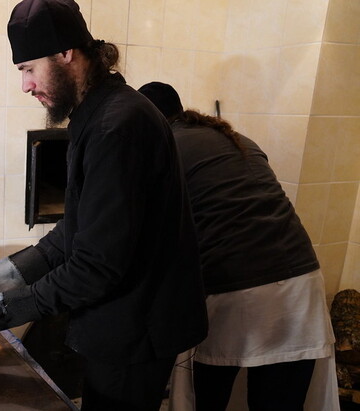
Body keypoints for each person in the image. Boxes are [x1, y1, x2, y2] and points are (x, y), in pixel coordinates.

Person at [0, 1, 209, 409]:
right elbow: (75, 231)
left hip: (137, 327)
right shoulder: (93, 114)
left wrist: (0, 312)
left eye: (28, 68)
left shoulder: (118, 126)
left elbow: (96, 265)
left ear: (66, 53)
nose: (25, 85)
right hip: (122, 321)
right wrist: (8, 273)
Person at [138, 82, 338, 411]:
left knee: (210, 399)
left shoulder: (162, 148)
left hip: (237, 289)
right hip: (302, 282)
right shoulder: (239, 140)